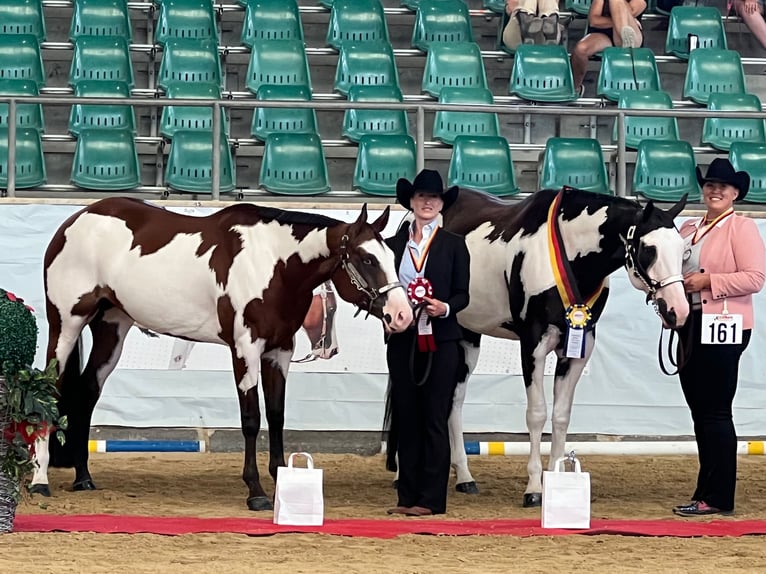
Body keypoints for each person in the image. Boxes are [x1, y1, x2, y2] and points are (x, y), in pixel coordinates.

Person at [673, 158, 766, 517]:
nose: (715, 190)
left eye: (722, 187)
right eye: (710, 185)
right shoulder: (688, 228)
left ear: (735, 194)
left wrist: (709, 281)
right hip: (691, 324)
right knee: (702, 412)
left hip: (723, 324)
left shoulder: (741, 228)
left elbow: (754, 278)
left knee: (713, 411)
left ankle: (719, 495)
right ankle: (706, 490)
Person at [385, 169, 470, 517]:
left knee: (435, 416)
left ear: (441, 204)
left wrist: (444, 307)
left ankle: (432, 499)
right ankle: (407, 496)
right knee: (406, 416)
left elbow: (464, 294)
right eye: (421, 196)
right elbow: (383, 293)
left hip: (442, 339)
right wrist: (387, 320)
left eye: (433, 198)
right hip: (403, 339)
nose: (428, 202)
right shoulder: (392, 246)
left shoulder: (454, 244)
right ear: (411, 201)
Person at [570, 0, 646, 97]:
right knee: (581, 49)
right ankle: (575, 88)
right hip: (604, 34)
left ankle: (625, 39)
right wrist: (616, 21)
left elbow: (632, 12)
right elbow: (594, 20)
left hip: (632, 33)